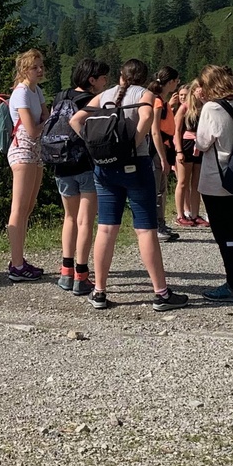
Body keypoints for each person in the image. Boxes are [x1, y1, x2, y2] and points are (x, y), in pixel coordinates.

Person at [68, 59, 183, 312]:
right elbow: (145, 117)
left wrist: (92, 144)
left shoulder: (104, 95)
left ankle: (99, 291)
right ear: (143, 77)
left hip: (104, 168)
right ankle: (161, 294)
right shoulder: (144, 93)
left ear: (121, 75)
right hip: (136, 166)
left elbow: (75, 120)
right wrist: (132, 146)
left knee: (106, 229)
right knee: (145, 230)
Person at [194, 64, 233, 300]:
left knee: (224, 233)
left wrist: (202, 106)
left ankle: (232, 285)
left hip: (218, 176)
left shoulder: (212, 108)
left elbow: (202, 143)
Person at [53, 59, 109, 297]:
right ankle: (82, 275)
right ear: (92, 80)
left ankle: (66, 271)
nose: (106, 82)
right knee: (85, 221)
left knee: (69, 217)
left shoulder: (59, 96)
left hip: (61, 164)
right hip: (85, 165)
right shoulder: (92, 101)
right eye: (103, 78)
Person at [4, 50, 47, 281]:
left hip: (36, 150)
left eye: (41, 66)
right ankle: (17, 265)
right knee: (19, 209)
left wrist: (44, 122)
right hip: (22, 150)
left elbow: (44, 117)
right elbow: (32, 128)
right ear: (23, 70)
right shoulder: (21, 93)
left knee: (28, 207)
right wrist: (45, 123)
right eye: (34, 67)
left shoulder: (36, 90)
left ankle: (18, 259)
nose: (39, 71)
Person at [148, 66, 182, 243]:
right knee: (156, 191)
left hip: (162, 149)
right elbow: (155, 131)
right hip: (156, 151)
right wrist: (162, 157)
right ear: (170, 82)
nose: (177, 84)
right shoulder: (157, 102)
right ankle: (156, 226)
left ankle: (160, 224)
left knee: (160, 189)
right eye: (176, 81)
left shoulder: (162, 101)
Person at [173, 81, 206, 229]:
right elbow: (177, 131)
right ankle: (180, 215)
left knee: (196, 183)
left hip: (199, 145)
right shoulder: (184, 108)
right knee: (183, 181)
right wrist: (179, 151)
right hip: (186, 145)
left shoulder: (204, 107)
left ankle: (194, 214)